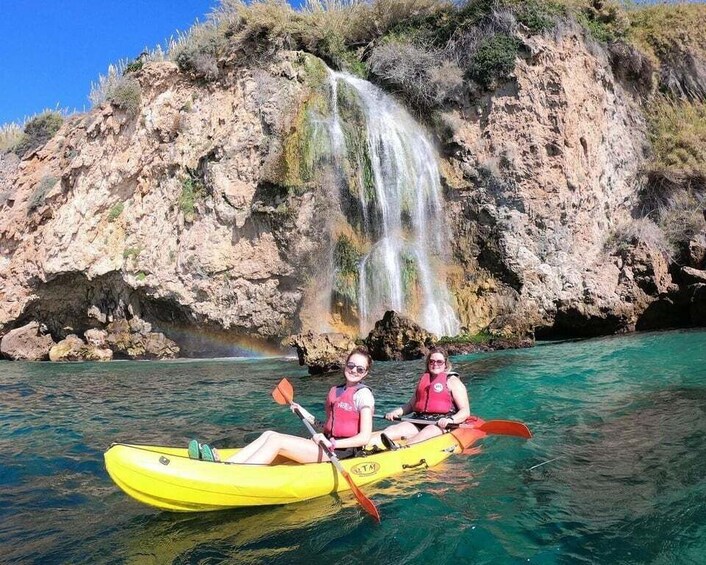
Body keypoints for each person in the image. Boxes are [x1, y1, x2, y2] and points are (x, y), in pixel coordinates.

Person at [191, 347, 375, 465]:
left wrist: (333, 443)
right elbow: (324, 425)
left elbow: (364, 438)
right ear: (345, 365)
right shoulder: (336, 391)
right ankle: (226, 463)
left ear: (365, 373)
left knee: (277, 441)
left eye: (360, 369)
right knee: (269, 434)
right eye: (351, 365)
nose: (354, 370)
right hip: (325, 444)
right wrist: (302, 410)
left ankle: (236, 473)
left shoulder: (363, 395)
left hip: (343, 452)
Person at [378, 347, 470, 446]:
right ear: (428, 363)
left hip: (440, 423)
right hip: (419, 419)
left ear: (445, 364)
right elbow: (411, 405)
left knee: (427, 432)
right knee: (392, 430)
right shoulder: (423, 380)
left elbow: (465, 411)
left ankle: (402, 449)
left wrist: (450, 420)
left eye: (439, 362)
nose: (435, 364)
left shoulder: (453, 381)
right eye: (432, 361)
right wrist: (395, 412)